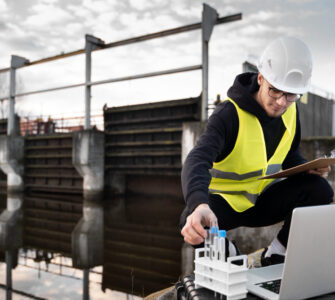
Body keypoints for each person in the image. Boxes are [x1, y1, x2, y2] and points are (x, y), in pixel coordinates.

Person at [180, 36, 334, 267]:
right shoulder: (228, 115)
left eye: (291, 95)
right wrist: (200, 204)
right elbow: (197, 159)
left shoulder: (291, 112)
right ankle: (231, 255)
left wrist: (307, 170)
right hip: (227, 205)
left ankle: (277, 254)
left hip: (264, 201)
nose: (282, 102)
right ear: (261, 79)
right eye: (275, 91)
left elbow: (290, 155)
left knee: (320, 190)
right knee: (191, 220)